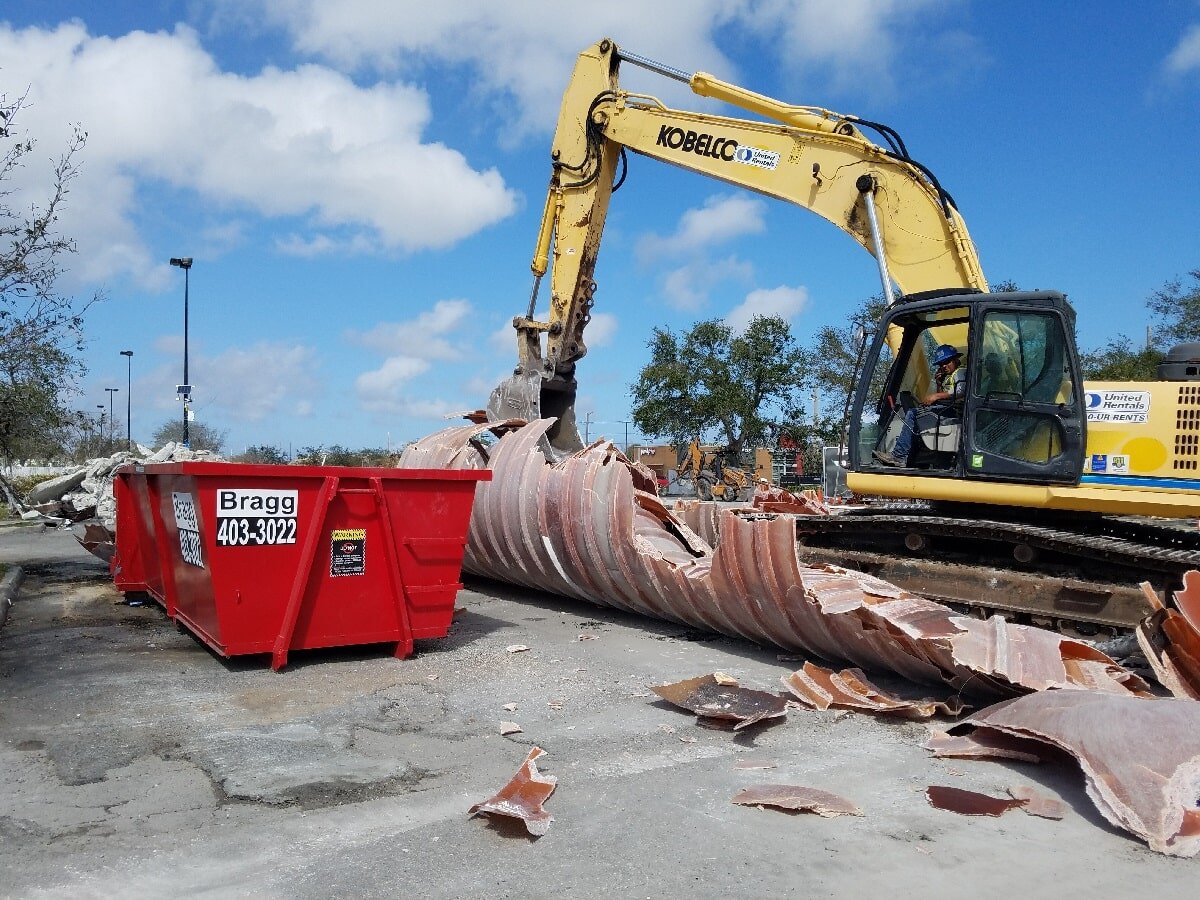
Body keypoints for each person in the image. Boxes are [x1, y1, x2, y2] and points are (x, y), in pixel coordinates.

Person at [874, 344, 966, 466]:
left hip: (956, 411)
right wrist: (939, 384)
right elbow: (944, 397)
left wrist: (935, 396)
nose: (944, 366)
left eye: (947, 362)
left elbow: (961, 391)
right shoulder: (949, 377)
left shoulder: (960, 372)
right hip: (948, 409)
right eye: (941, 364)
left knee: (913, 414)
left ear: (955, 359)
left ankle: (899, 455)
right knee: (919, 416)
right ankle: (914, 459)